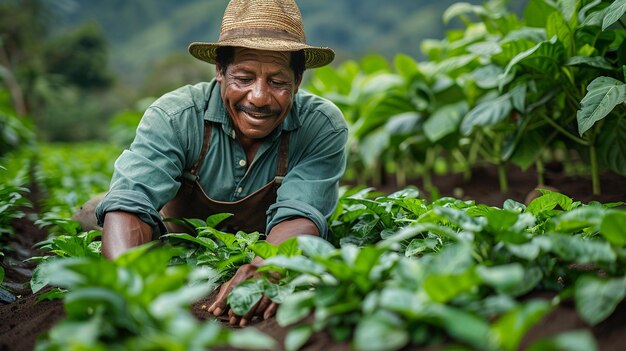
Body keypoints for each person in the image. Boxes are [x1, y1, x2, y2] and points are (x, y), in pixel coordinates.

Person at [93, 0, 348, 327]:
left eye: (278, 82)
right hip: (174, 239)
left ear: (297, 82)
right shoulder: (176, 116)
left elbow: (303, 212)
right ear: (219, 72)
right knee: (95, 217)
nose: (258, 97)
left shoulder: (321, 126)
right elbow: (132, 202)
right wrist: (128, 289)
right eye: (243, 77)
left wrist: (269, 268)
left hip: (260, 246)